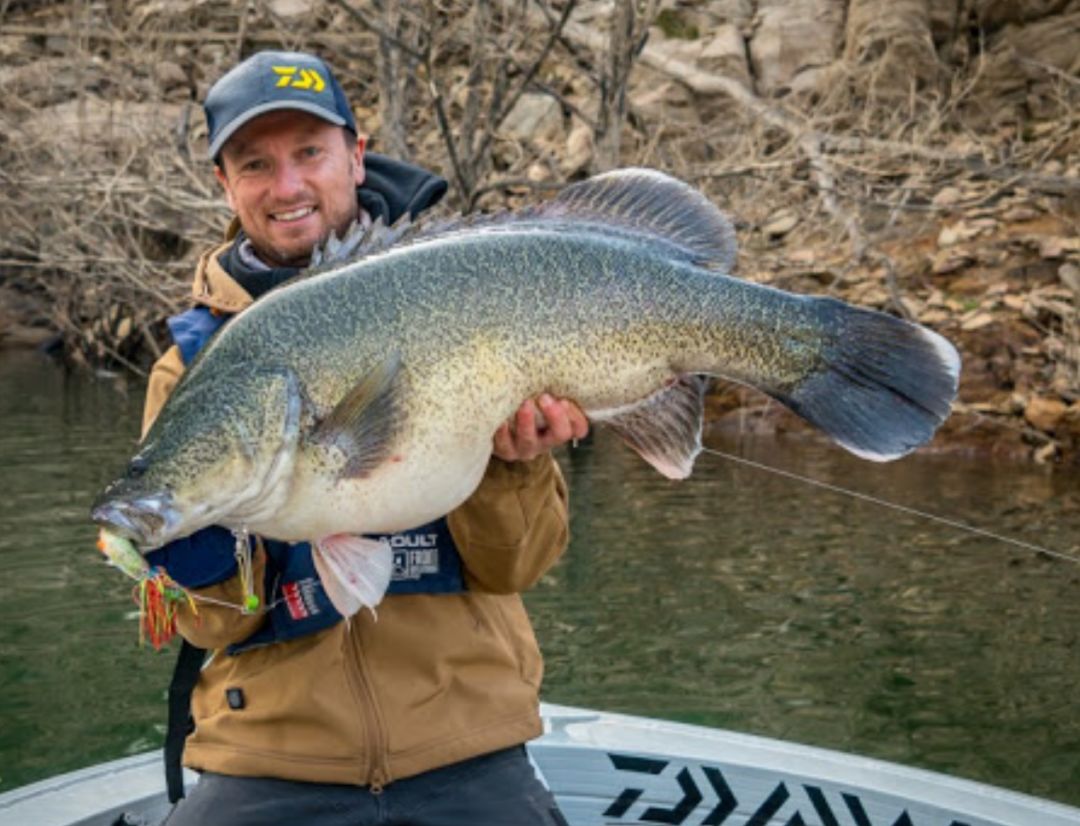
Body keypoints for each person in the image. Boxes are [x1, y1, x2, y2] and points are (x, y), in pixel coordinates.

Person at [142, 50, 587, 826]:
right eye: (256, 164)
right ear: (225, 184)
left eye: (309, 154)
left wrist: (516, 468)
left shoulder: (464, 295)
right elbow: (212, 624)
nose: (287, 187)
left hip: (465, 741)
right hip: (268, 757)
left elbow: (519, 566)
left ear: (356, 153)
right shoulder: (190, 365)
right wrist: (192, 549)